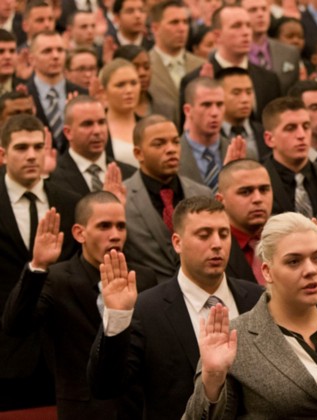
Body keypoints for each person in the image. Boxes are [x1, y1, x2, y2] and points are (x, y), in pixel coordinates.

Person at [183, 212, 317, 417]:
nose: (310, 270)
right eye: (294, 262)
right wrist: (213, 380)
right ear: (267, 271)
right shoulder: (235, 340)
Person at [88, 196, 264, 420]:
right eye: (204, 235)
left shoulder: (258, 299)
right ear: (177, 242)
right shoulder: (146, 309)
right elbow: (105, 388)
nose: (217, 244)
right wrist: (117, 317)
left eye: (223, 233)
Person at [2, 192, 158, 419]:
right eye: (104, 226)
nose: (115, 235)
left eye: (121, 226)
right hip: (83, 410)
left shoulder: (141, 277)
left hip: (135, 407)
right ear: (79, 233)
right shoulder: (56, 279)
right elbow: (15, 325)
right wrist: (38, 266)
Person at [0, 114, 80, 410]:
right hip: (5, 351)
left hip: (59, 351)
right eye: (21, 148)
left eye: (38, 147)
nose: (32, 155)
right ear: (3, 154)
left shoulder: (71, 202)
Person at [122, 115, 212, 283]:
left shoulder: (202, 194)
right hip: (147, 298)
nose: (171, 149)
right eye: (159, 143)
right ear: (138, 153)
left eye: (175, 142)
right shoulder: (122, 198)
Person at [180, 5, 282, 124]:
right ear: (217, 36)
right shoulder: (194, 80)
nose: (246, 32)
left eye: (248, 25)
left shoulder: (268, 79)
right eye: (236, 26)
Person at [50, 96, 137, 196]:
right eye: (87, 124)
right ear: (68, 132)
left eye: (101, 122)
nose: (97, 131)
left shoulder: (130, 175)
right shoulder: (53, 177)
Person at [261, 96, 317, 217]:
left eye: (306, 126)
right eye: (290, 128)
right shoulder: (259, 181)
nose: (301, 135)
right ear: (269, 139)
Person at [25, 30, 87, 152]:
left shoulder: (83, 94)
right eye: (47, 51)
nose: (55, 56)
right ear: (32, 59)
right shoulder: (23, 95)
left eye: (60, 50)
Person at [216, 159, 273, 285]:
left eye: (264, 190)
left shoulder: (285, 238)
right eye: (246, 192)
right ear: (221, 200)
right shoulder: (212, 249)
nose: (258, 199)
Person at [148, 0, 204, 125]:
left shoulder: (201, 65)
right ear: (155, 28)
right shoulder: (145, 67)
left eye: (185, 22)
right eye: (174, 22)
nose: (182, 28)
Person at [180, 77, 230, 191]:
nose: (214, 113)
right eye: (206, 105)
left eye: (220, 104)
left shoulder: (243, 153)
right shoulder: (173, 156)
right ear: (188, 110)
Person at [243, 0, 301, 91]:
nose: (260, 14)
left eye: (264, 9)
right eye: (253, 10)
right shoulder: (233, 53)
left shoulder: (290, 53)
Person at [100, 59, 141, 169]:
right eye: (120, 85)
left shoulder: (148, 125)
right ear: (104, 91)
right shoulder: (97, 128)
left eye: (133, 83)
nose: (129, 90)